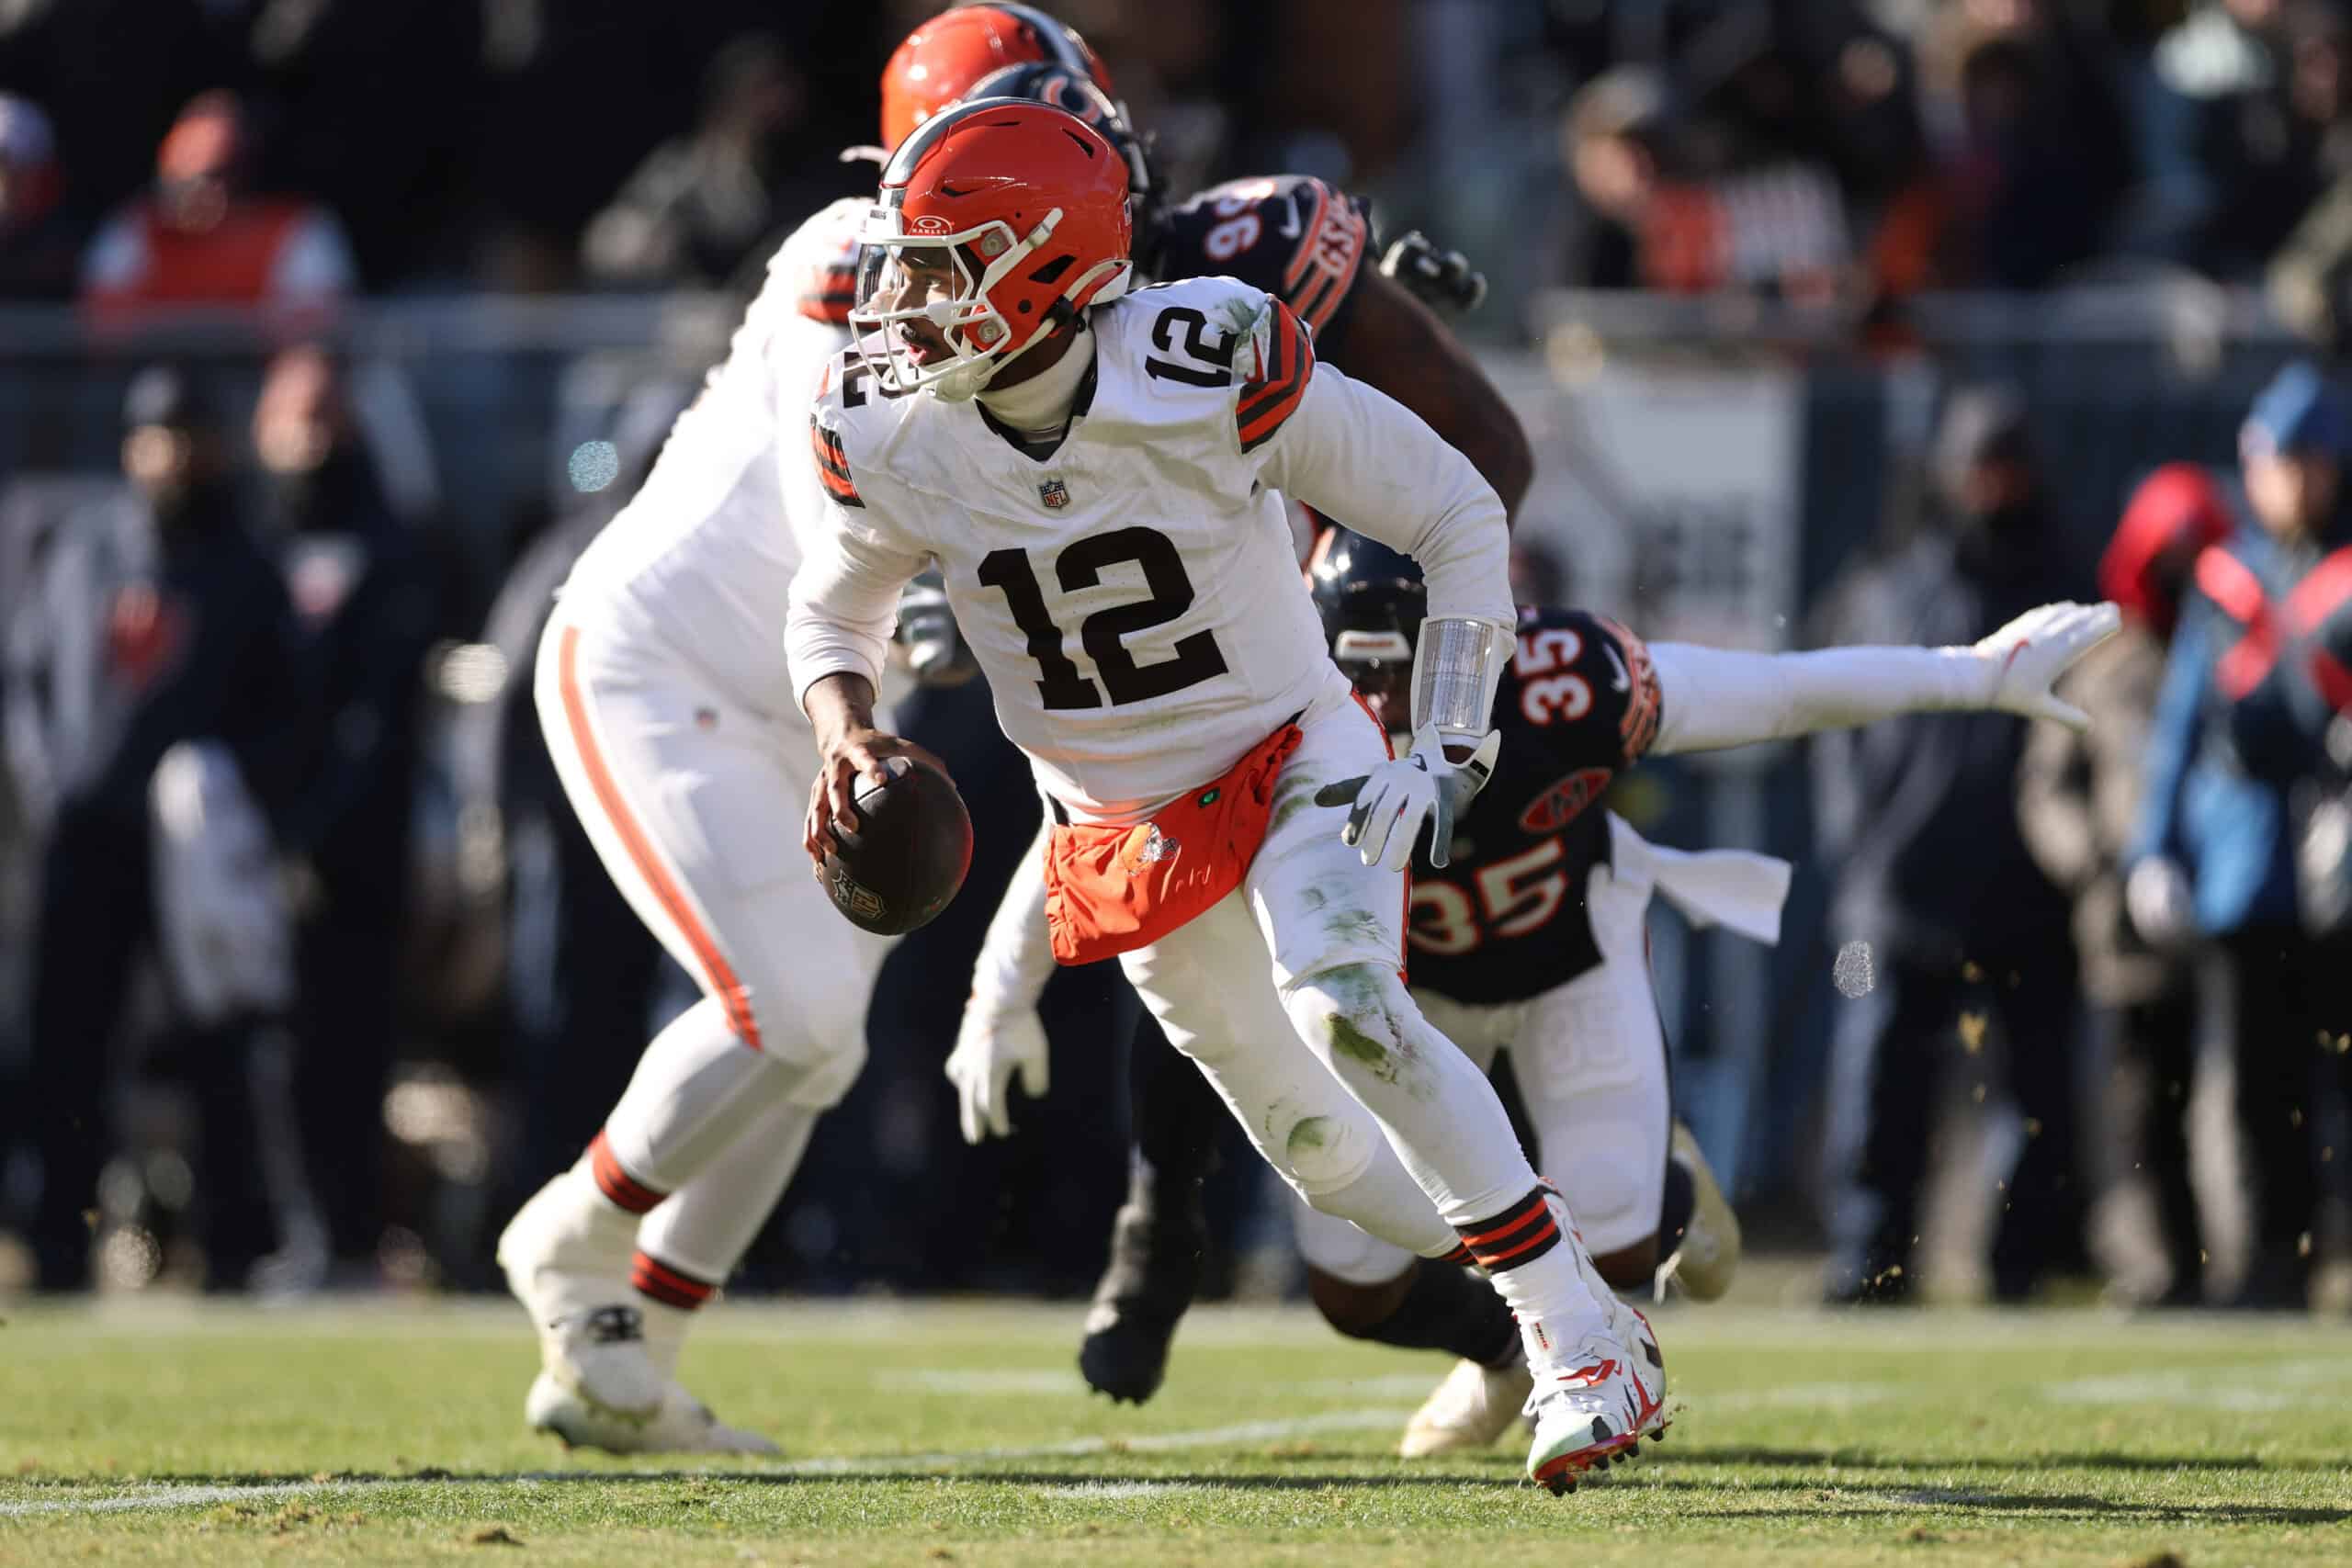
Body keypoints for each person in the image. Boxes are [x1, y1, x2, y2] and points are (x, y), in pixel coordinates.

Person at [493, 0, 1540, 1459]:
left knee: (820, 1041)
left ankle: (627, 1346)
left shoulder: (1058, 298)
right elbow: (848, 535)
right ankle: (568, 1235)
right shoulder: (855, 262)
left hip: (835, 720)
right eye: (1050, 123)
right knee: (786, 1011)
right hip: (665, 663)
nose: (1094, 152)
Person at [789, 96, 1665, 1495]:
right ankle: (1581, 1301)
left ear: (1045, 268)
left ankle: (1578, 1340)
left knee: (1347, 1004)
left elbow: (1453, 512)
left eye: (944, 264)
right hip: (1118, 830)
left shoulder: (1202, 357)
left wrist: (1443, 737)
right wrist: (846, 732)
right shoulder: (896, 433)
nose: (906, 301)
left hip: (1285, 747)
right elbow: (827, 618)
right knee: (1327, 1158)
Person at [954, 528, 2118, 1453]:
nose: (1378, 698)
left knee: (1610, 1245)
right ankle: (1504, 1357)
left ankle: (1646, 1207)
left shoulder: (1567, 684)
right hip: (1396, 998)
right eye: (1350, 664)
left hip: (1566, 961)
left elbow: (1768, 693)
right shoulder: (1272, 711)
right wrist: (1000, 990)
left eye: (1397, 662)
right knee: (1351, 1286)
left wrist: (1969, 675)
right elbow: (1097, 824)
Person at [928, 42, 1533, 1414]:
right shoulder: (951, 366)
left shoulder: (1241, 266)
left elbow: (1473, 460)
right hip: (1175, 688)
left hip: (1349, 624)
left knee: (1364, 964)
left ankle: (1588, 1182)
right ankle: (1169, 1219)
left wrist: (1368, 600)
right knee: (1180, 914)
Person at [9, 367, 310, 1291]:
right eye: (157, 436)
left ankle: (231, 1245)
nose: (173, 455)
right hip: (85, 834)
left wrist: (225, 795)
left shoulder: (246, 566)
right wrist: (49, 782)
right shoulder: (84, 547)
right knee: (66, 1042)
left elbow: (285, 711)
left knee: (215, 1045)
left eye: (189, 434)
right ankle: (58, 1238)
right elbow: (29, 675)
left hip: (190, 852)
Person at [1815, 385, 2093, 1304]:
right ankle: (1867, 1257)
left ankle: (2020, 1262)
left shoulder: (2065, 590)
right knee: (1872, 1067)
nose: (1992, 484)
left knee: (2036, 1086)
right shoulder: (1889, 586)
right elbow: (1835, 725)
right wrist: (1854, 850)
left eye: (2006, 464)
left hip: (2027, 895)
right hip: (1886, 903)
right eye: (1978, 464)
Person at [2131, 362, 2352, 1307]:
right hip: (2244, 869)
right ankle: (2271, 1259)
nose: (2291, 481)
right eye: (2276, 461)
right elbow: (2180, 726)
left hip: (2338, 870)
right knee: (2257, 1085)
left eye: (2306, 462)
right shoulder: (2226, 583)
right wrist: (2152, 849)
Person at [2017, 465, 2232, 1306]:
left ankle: (2244, 1259)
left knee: (2236, 1093)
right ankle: (2152, 1262)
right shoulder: (2105, 664)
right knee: (2136, 1103)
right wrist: (2097, 862)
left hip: (2233, 915)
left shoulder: (2232, 650)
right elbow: (2047, 785)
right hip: (2123, 927)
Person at [253, 345, 445, 1285]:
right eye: (293, 417)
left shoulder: (388, 543)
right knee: (262, 1045)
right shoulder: (252, 540)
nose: (307, 439)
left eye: (322, 417)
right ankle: (274, 1229)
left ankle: (350, 1231)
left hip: (357, 848)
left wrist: (316, 830)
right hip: (255, 841)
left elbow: (382, 708)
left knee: (355, 1040)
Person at [78, 91, 356, 324]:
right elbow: (106, 330)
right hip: (155, 373)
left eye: (214, 175)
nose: (198, 191)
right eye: (183, 178)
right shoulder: (136, 228)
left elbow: (312, 329)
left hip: (254, 377)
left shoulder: (295, 228)